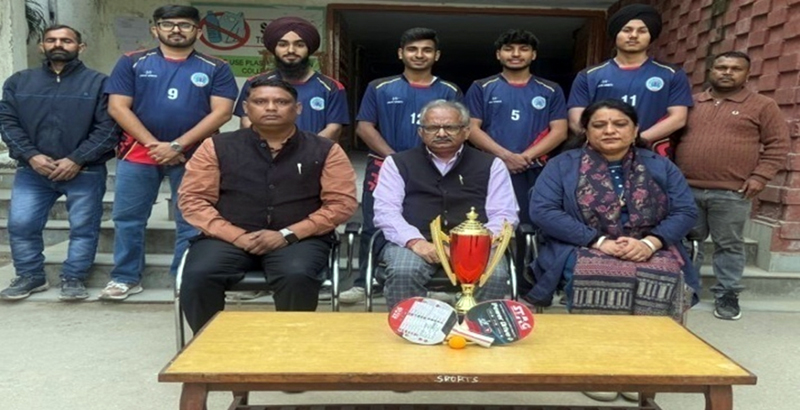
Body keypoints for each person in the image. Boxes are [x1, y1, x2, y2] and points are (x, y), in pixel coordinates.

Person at [528, 100, 700, 402]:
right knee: (600, 272)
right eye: (599, 125)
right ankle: (596, 365)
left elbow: (685, 210)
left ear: (635, 130)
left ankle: (641, 365)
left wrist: (650, 243)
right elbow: (543, 211)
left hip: (649, 244)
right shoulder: (562, 165)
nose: (609, 130)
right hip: (583, 244)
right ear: (586, 131)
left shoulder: (660, 165)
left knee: (661, 273)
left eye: (620, 124)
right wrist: (598, 241)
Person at [178, 78, 358, 332]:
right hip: (228, 238)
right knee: (199, 275)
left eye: (281, 102)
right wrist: (237, 236)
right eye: (261, 101)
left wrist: (287, 234)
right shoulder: (216, 146)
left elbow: (341, 203)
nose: (271, 107)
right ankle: (209, 345)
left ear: (297, 108)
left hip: (298, 239)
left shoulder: (326, 150)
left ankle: (290, 345)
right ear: (246, 108)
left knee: (297, 276)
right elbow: (193, 200)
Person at [102, 5, 238, 300]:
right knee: (128, 218)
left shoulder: (217, 67)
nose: (176, 30)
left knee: (191, 219)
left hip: (195, 154)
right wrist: (156, 146)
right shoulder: (131, 62)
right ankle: (125, 277)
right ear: (155, 29)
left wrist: (177, 145)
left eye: (185, 25)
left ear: (198, 31)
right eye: (168, 24)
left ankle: (183, 278)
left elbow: (222, 113)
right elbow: (117, 107)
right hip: (137, 152)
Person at [340, 27, 463, 305]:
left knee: (435, 222)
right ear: (401, 53)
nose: (419, 55)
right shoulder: (380, 87)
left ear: (436, 55)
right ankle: (366, 281)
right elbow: (364, 127)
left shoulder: (450, 90)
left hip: (436, 169)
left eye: (426, 50)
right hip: (384, 165)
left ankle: (434, 280)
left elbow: (459, 129)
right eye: (412, 49)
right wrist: (395, 159)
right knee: (374, 224)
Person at [0, 25, 119, 301]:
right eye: (51, 40)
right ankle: (30, 276)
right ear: (41, 46)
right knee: (21, 224)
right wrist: (31, 156)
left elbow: (109, 128)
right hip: (33, 171)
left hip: (85, 171)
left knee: (84, 228)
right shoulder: (19, 82)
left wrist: (77, 159)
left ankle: (74, 278)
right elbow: (7, 123)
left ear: (80, 47)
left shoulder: (99, 83)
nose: (58, 45)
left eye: (66, 40)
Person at [674, 51, 790, 321]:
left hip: (732, 191)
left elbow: (778, 144)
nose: (727, 72)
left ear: (747, 74)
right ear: (711, 71)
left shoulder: (762, 105)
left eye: (735, 69)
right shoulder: (691, 103)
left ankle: (727, 294)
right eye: (721, 67)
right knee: (689, 243)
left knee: (729, 245)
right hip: (686, 188)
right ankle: (685, 289)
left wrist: (760, 176)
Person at [372, 100, 518, 308]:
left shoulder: (492, 165)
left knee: (494, 275)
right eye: (432, 128)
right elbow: (386, 212)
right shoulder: (397, 163)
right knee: (404, 270)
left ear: (466, 131)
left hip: (476, 245)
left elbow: (504, 214)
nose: (441, 133)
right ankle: (411, 325)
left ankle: (479, 326)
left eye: (450, 127)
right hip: (416, 242)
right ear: (421, 132)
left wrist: (474, 247)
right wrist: (415, 242)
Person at [464, 29, 567, 290]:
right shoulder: (481, 87)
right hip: (491, 169)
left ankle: (529, 283)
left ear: (533, 55)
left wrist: (525, 157)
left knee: (533, 227)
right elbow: (471, 128)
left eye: (523, 49)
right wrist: (505, 156)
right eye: (509, 49)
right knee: (490, 225)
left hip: (536, 170)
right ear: (499, 54)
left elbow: (560, 131)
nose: (516, 54)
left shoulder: (550, 89)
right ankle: (485, 279)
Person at [567, 4, 692, 157]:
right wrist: (605, 142)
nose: (633, 35)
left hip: (651, 154)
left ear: (651, 36)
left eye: (642, 31)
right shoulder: (589, 75)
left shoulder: (671, 74)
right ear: (616, 34)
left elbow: (678, 118)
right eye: (627, 30)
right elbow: (576, 119)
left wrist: (637, 140)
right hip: (599, 154)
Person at [233, 16, 349, 139]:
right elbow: (246, 121)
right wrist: (272, 146)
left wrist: (308, 148)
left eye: (299, 45)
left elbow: (334, 128)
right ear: (274, 49)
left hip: (313, 151)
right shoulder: (254, 83)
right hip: (262, 150)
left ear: (309, 49)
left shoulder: (332, 87)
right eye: (283, 44)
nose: (291, 50)